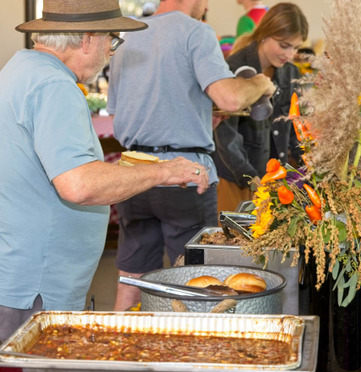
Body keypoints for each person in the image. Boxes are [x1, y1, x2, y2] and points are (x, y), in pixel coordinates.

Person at [0, 0, 209, 341]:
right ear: (88, 39)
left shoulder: (23, 69)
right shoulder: (53, 86)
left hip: (15, 272)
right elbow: (80, 185)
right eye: (111, 40)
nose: (111, 51)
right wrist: (165, 172)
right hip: (34, 282)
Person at [107, 0, 276, 311]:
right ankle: (191, 357)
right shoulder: (196, 32)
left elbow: (121, 112)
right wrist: (259, 82)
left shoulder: (128, 34)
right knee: (197, 283)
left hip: (135, 175)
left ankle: (120, 353)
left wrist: (198, 119)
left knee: (131, 276)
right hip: (185, 178)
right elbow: (230, 96)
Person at [213, 2, 308, 215]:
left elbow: (295, 127)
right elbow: (226, 139)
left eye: (295, 47)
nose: (290, 54)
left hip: (274, 178)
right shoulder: (234, 68)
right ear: (265, 34)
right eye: (284, 45)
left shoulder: (290, 73)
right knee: (238, 243)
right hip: (236, 179)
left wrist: (308, 168)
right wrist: (252, 179)